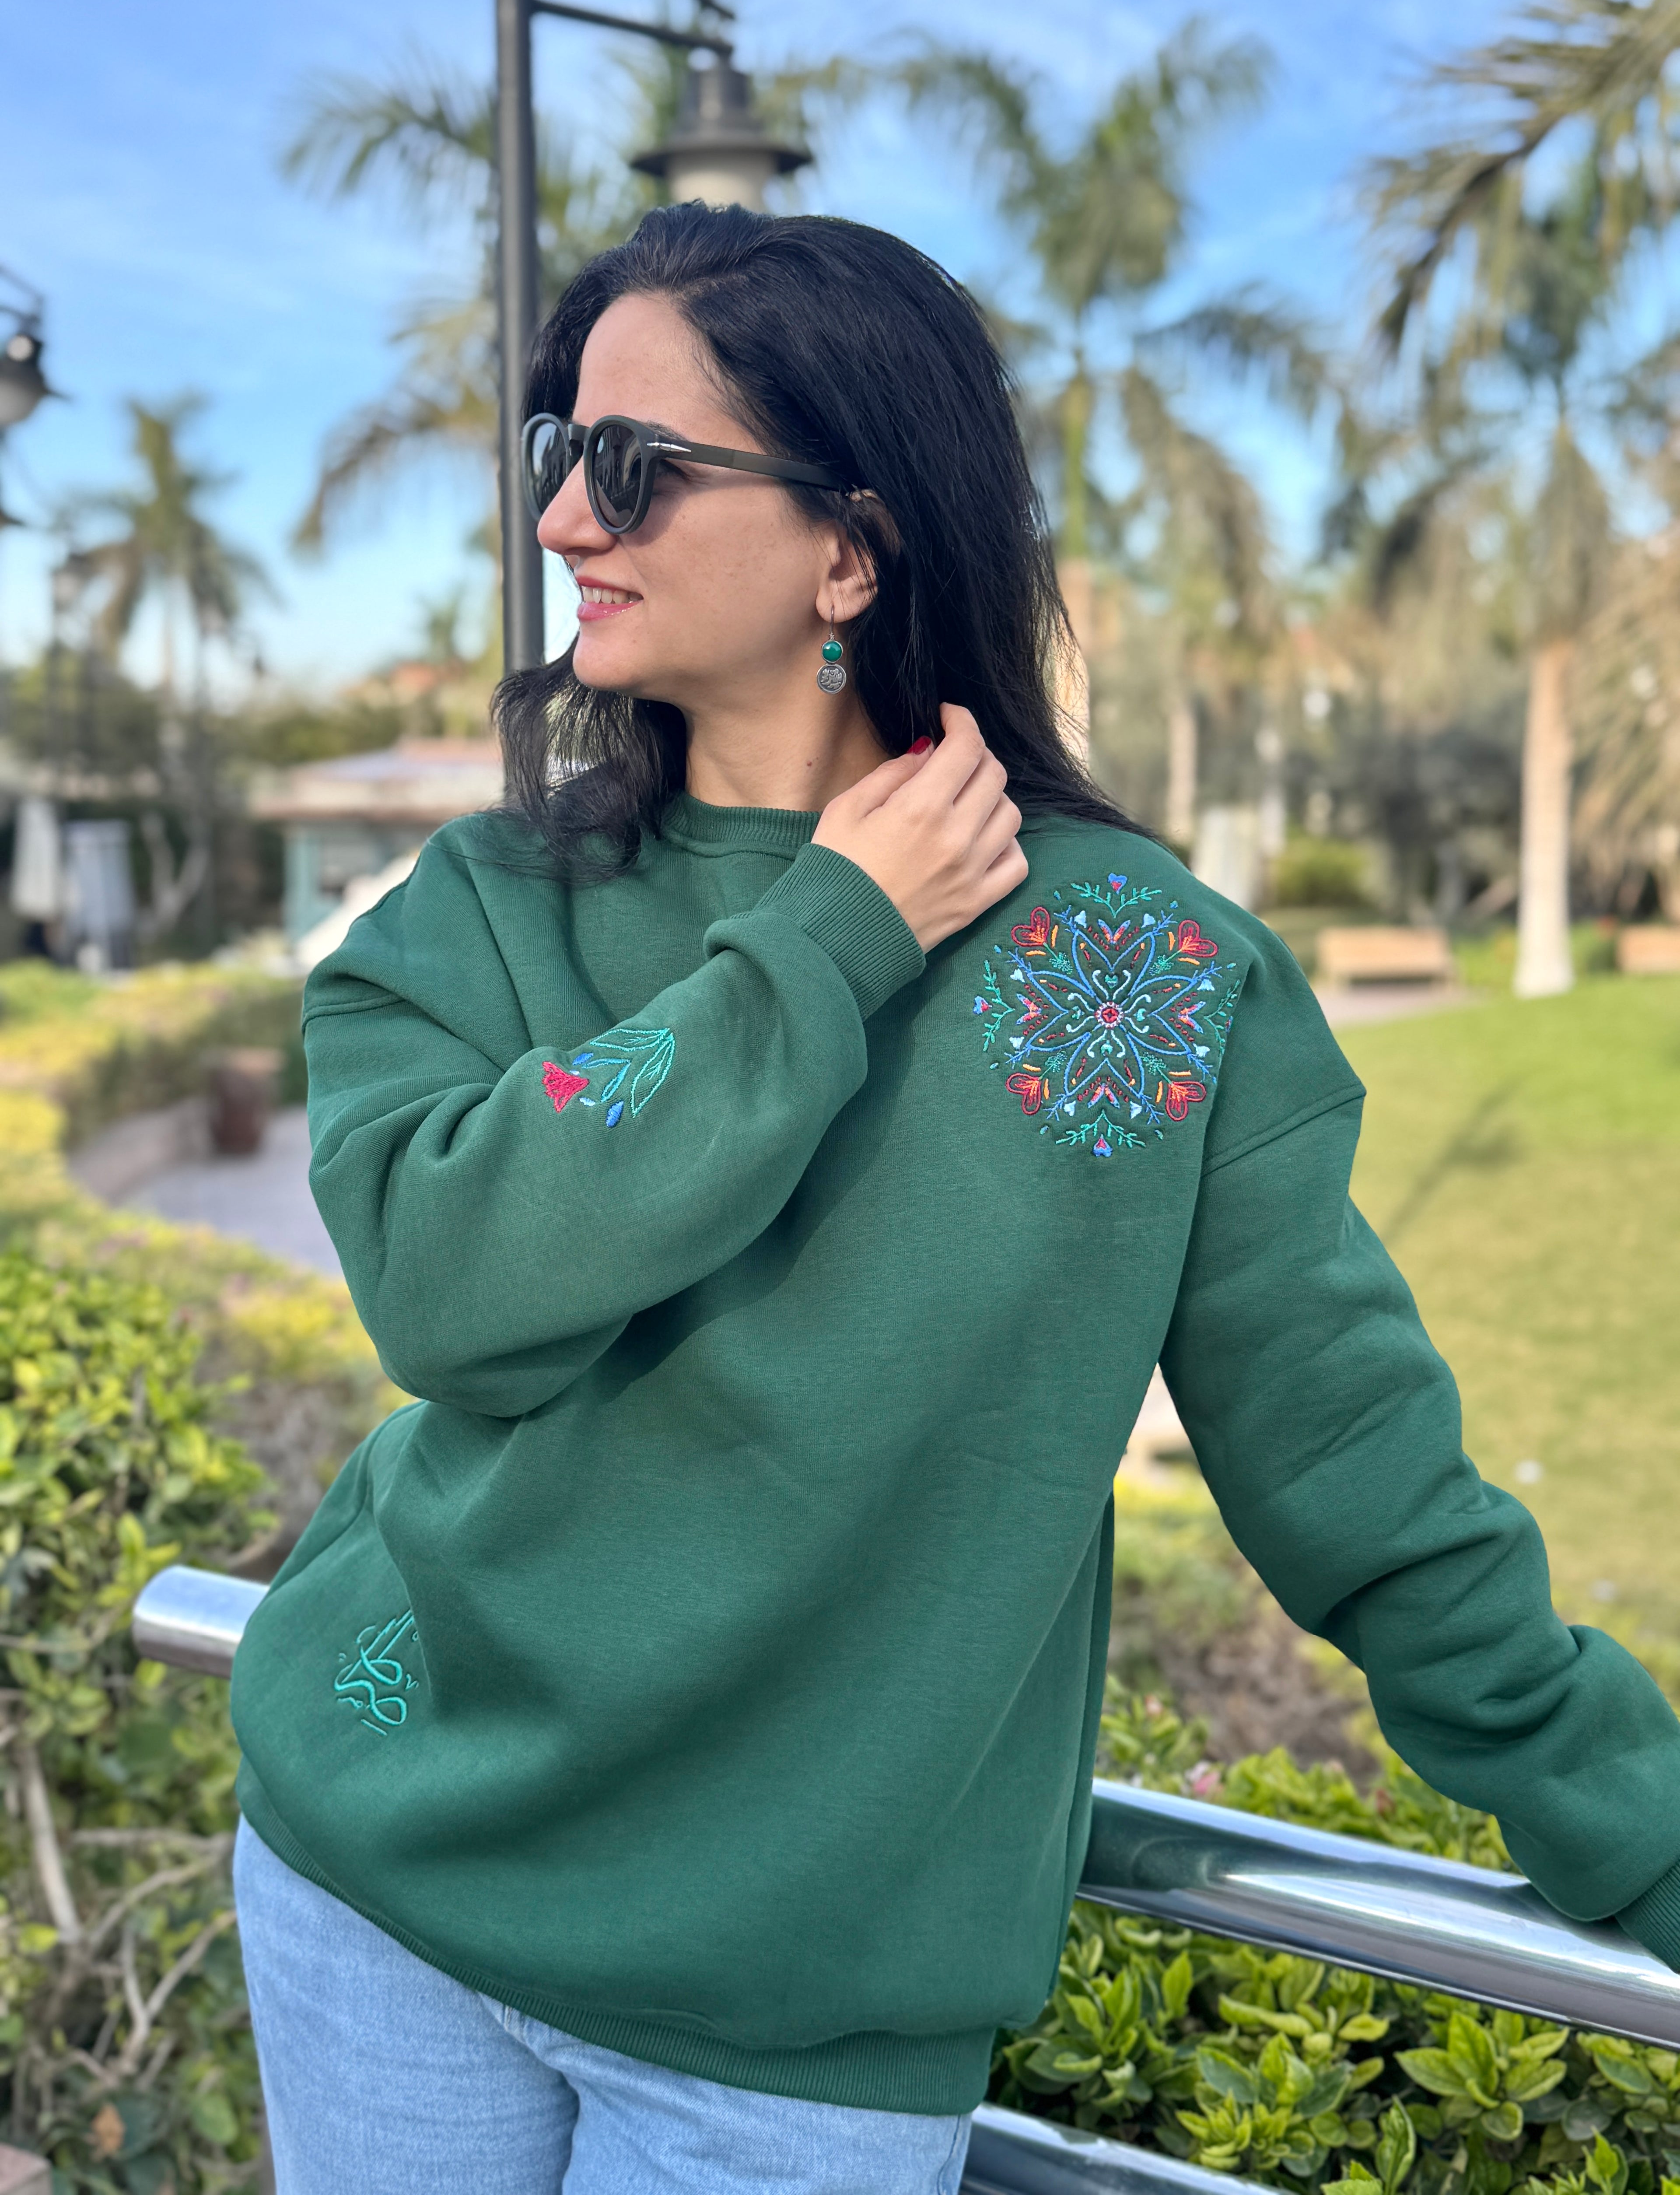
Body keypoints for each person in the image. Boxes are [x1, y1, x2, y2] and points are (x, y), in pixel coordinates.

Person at [229, 204, 1680, 2195]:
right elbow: (447, 1285)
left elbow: (1352, 1470)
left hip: (796, 2035)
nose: (563, 516)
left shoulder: (1152, 972)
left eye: (632, 465)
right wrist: (831, 937)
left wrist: (1639, 1826)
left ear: (851, 546)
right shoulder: (483, 905)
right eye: (557, 449)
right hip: (371, 1893)